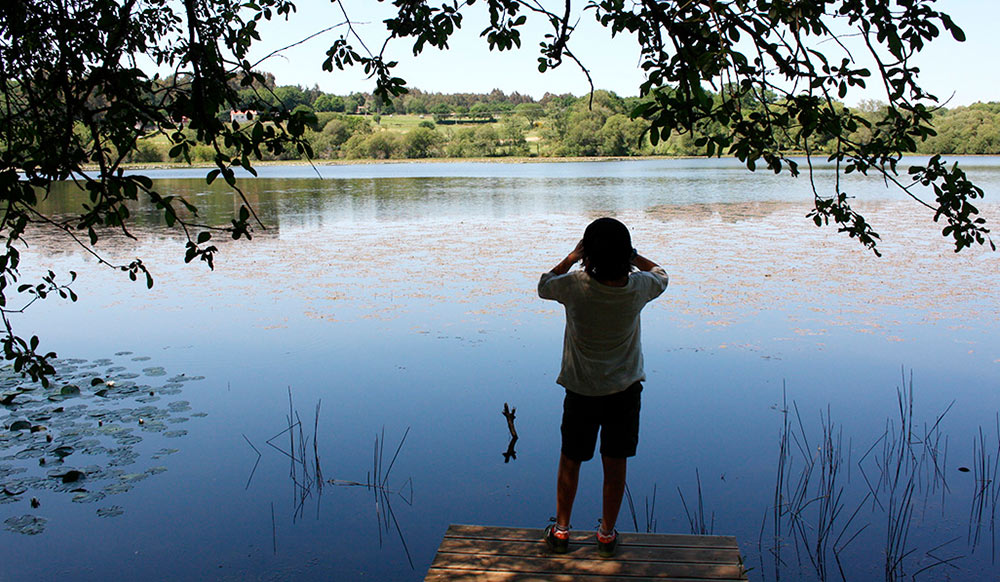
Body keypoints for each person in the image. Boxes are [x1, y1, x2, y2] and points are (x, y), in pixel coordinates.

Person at [537, 217, 669, 558]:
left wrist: (571, 256)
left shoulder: (573, 285)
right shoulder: (638, 288)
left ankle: (562, 531)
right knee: (615, 463)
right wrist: (634, 257)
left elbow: (544, 284)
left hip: (580, 392)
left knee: (571, 460)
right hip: (624, 393)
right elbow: (662, 274)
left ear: (588, 254)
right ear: (624, 253)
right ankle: (606, 535)